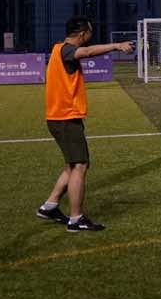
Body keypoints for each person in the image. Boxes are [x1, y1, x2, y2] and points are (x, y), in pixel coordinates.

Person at [36, 17, 135, 231]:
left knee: (73, 165)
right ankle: (76, 219)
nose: (91, 35)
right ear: (82, 34)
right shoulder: (67, 50)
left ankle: (50, 206)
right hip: (65, 118)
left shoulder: (58, 49)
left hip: (60, 117)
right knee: (80, 165)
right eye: (90, 32)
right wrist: (117, 45)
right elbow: (87, 52)